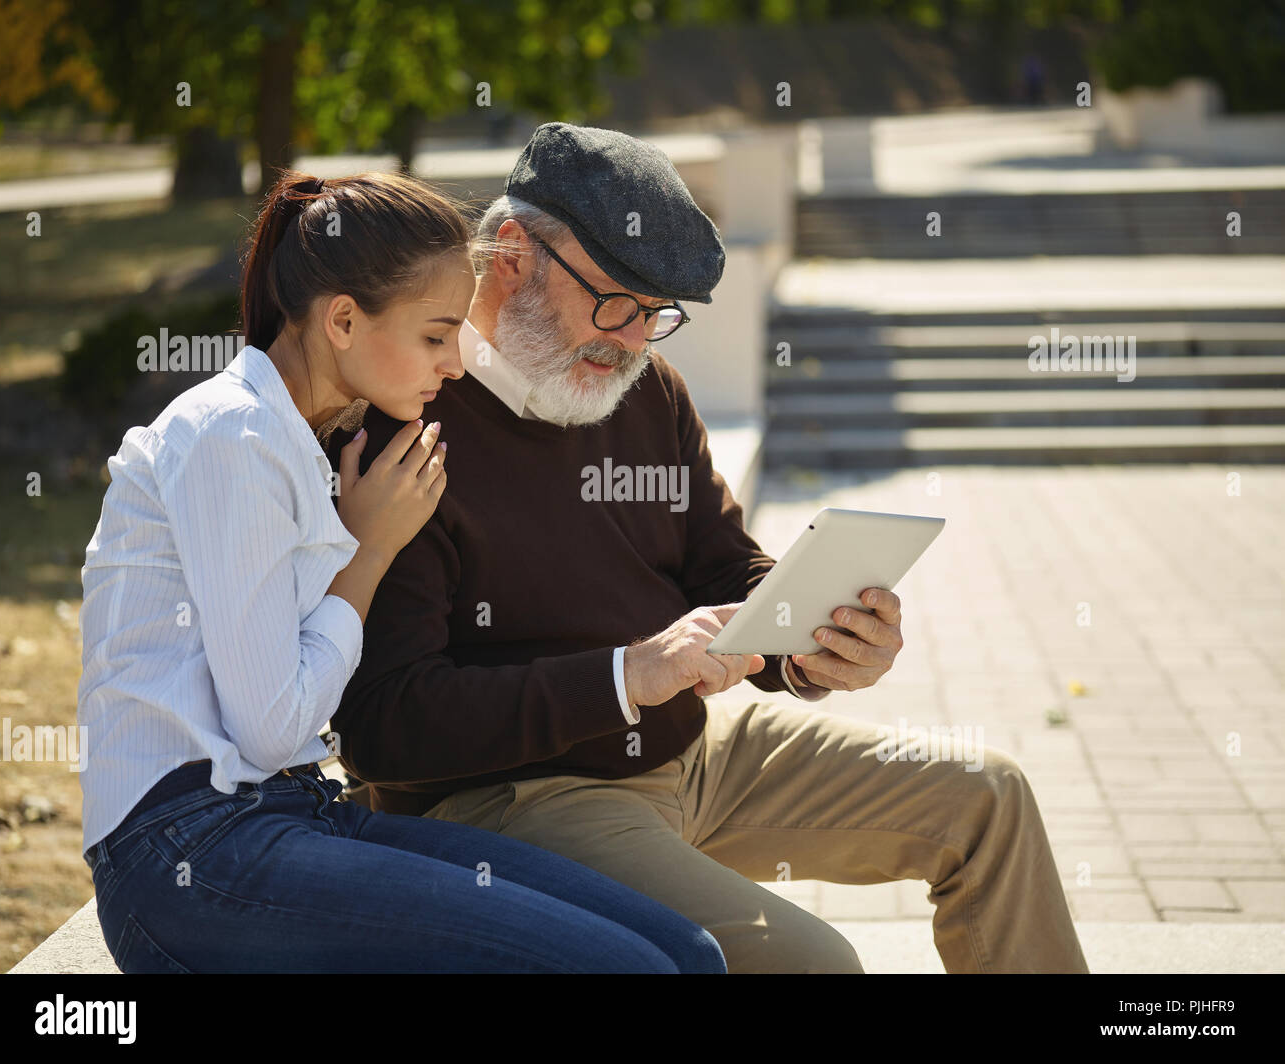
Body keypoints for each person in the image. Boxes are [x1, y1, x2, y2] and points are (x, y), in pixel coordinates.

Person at [315, 125, 1092, 974]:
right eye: (616, 301)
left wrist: (812, 642)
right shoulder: (404, 429)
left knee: (990, 798)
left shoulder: (642, 388)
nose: (634, 341)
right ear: (511, 255)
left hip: (692, 749)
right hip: (516, 796)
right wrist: (624, 676)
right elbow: (385, 729)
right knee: (815, 965)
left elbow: (722, 564)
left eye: (658, 314)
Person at [75, 169, 727, 974]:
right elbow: (272, 725)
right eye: (434, 334)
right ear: (343, 319)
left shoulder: (315, 437)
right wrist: (370, 548)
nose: (456, 363)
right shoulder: (230, 438)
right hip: (188, 853)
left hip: (296, 811)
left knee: (688, 955)